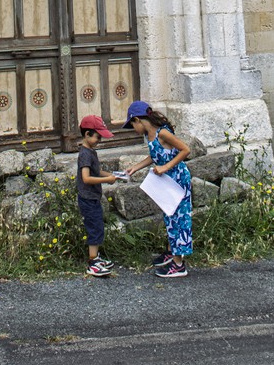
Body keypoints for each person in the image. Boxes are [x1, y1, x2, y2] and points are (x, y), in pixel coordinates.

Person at [123, 100, 192, 278]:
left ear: (138, 120)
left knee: (179, 220)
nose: (134, 130)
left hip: (178, 180)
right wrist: (135, 167)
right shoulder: (150, 135)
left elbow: (185, 150)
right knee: (169, 217)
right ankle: (171, 253)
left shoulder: (163, 133)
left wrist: (165, 167)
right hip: (167, 182)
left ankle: (179, 264)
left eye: (132, 125)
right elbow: (155, 155)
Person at [76, 114, 117, 277]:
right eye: (97, 137)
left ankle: (96, 257)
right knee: (94, 228)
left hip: (93, 197)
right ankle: (92, 262)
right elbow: (86, 177)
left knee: (98, 226)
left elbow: (95, 171)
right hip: (88, 198)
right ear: (87, 134)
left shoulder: (90, 151)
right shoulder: (85, 153)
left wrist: (111, 175)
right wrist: (107, 179)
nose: (99, 140)